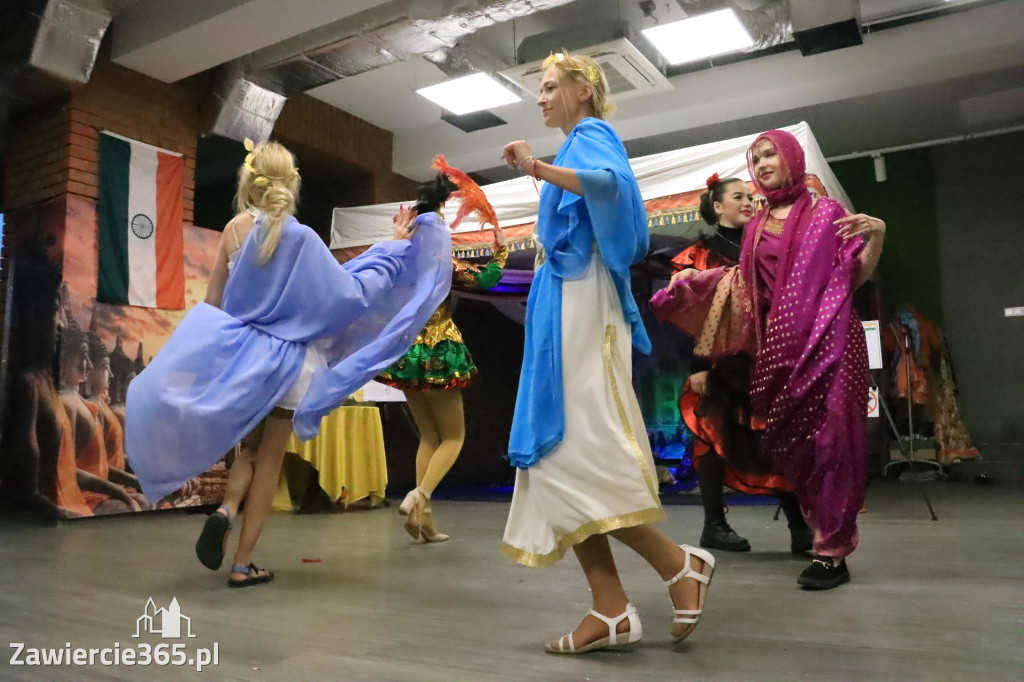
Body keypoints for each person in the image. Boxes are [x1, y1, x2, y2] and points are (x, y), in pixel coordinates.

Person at [126, 139, 452, 587]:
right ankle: (242, 565)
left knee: (249, 451)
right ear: (291, 184)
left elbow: (215, 304)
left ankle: (225, 509)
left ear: (248, 182)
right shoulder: (301, 237)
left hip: (246, 360)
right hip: (290, 365)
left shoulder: (234, 231)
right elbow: (349, 292)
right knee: (270, 460)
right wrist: (393, 248)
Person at [499, 51, 715, 654]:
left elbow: (611, 186)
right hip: (559, 300)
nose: (540, 97)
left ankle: (678, 566)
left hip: (584, 297)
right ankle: (612, 608)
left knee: (581, 440)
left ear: (583, 91)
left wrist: (538, 167)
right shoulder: (573, 146)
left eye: (548, 86)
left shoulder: (592, 135)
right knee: (548, 456)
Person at [652, 129, 885, 589]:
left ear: (791, 158)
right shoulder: (755, 228)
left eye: (768, 154)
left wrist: (877, 236)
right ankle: (811, 529)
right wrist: (698, 288)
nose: (760, 164)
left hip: (833, 339)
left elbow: (853, 274)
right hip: (781, 352)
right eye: (754, 157)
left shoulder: (825, 212)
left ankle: (832, 551)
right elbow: (747, 291)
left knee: (833, 443)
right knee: (793, 444)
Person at [673, 173, 811, 553]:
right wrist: (696, 366)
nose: (749, 202)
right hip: (718, 364)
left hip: (766, 360)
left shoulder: (765, 245)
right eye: (738, 196)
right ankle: (714, 525)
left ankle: (799, 526)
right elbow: (692, 315)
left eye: (751, 196)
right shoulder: (699, 255)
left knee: (777, 437)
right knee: (711, 438)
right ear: (718, 207)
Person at [377, 162, 509, 543]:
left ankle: (423, 521)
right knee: (453, 438)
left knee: (428, 438)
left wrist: (397, 240)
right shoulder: (443, 263)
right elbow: (485, 279)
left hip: (407, 351)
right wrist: (499, 251)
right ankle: (420, 494)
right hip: (441, 348)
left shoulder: (400, 258)